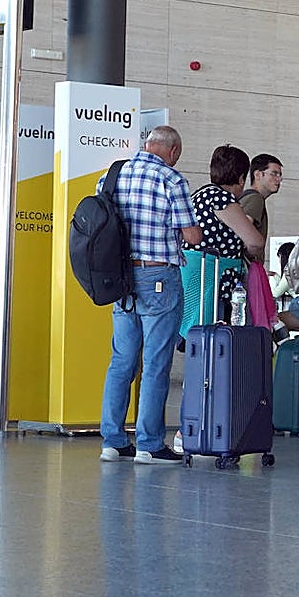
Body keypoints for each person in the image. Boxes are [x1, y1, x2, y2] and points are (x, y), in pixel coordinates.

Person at [99, 125, 201, 465]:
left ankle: (112, 441)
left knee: (122, 361)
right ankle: (148, 443)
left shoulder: (113, 175)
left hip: (121, 278)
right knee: (156, 363)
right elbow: (193, 235)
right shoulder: (171, 180)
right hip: (158, 274)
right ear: (172, 151)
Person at [182, 145, 265, 321]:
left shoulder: (199, 195)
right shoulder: (222, 199)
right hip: (213, 281)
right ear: (242, 178)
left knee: (195, 336)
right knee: (213, 336)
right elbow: (255, 242)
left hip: (193, 275)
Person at [238, 153, 283, 261]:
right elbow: (242, 235)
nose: (279, 179)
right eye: (274, 174)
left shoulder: (246, 197)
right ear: (257, 174)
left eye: (280, 175)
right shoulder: (255, 199)